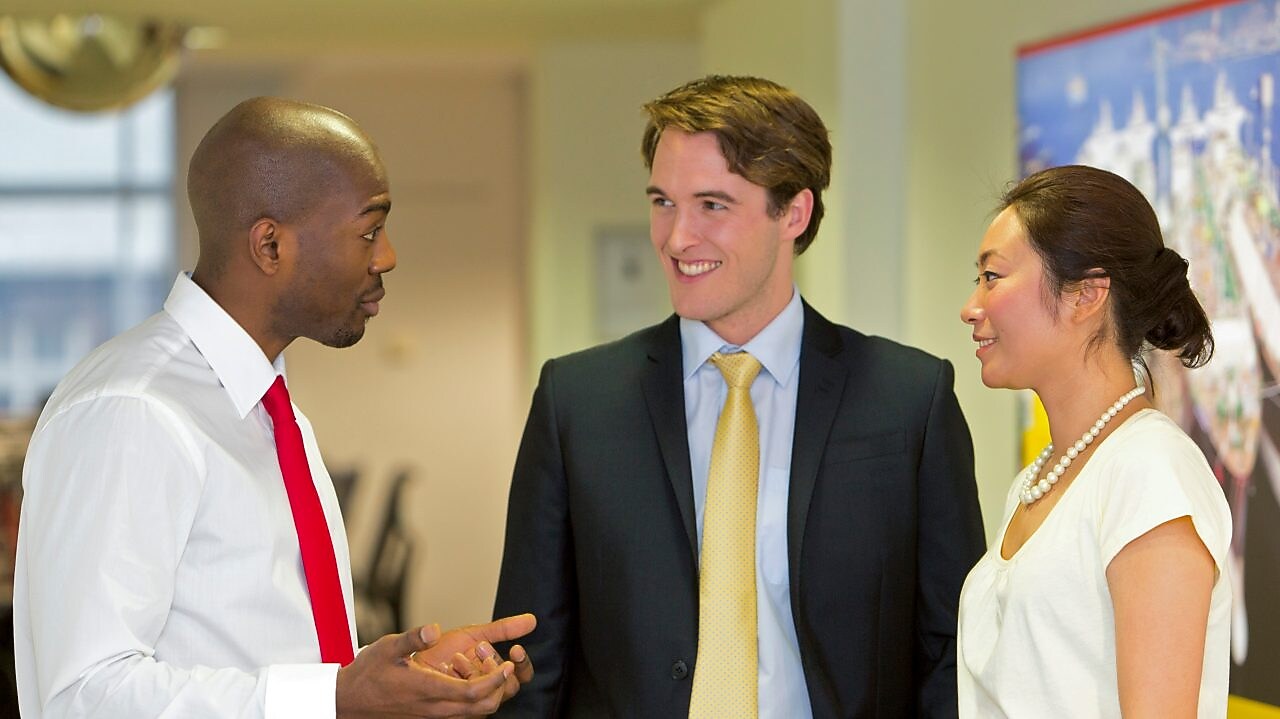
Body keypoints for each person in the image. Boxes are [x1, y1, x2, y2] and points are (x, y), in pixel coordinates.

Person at [14, 97, 534, 719]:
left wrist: (394, 681)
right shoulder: (133, 410)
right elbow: (83, 697)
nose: (387, 255)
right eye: (369, 229)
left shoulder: (262, 408)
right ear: (270, 245)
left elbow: (257, 652)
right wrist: (335, 699)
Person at [493, 75, 984, 717]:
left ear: (794, 213)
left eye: (712, 206)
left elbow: (954, 651)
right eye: (663, 202)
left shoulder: (908, 401)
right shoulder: (576, 403)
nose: (675, 238)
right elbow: (530, 660)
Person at [957, 164, 1232, 717]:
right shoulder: (1035, 482)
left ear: (1085, 295)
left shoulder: (1150, 472)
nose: (971, 307)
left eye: (993, 277)